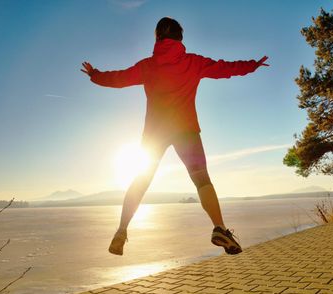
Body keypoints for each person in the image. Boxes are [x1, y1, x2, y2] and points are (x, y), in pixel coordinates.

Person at [81, 17, 268, 256]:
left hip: (155, 133)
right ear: (181, 38)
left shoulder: (147, 66)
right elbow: (225, 68)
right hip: (186, 130)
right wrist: (252, 65)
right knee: (202, 180)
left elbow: (119, 79)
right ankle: (219, 228)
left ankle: (122, 230)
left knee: (141, 179)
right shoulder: (193, 62)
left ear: (157, 37)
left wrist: (94, 74)